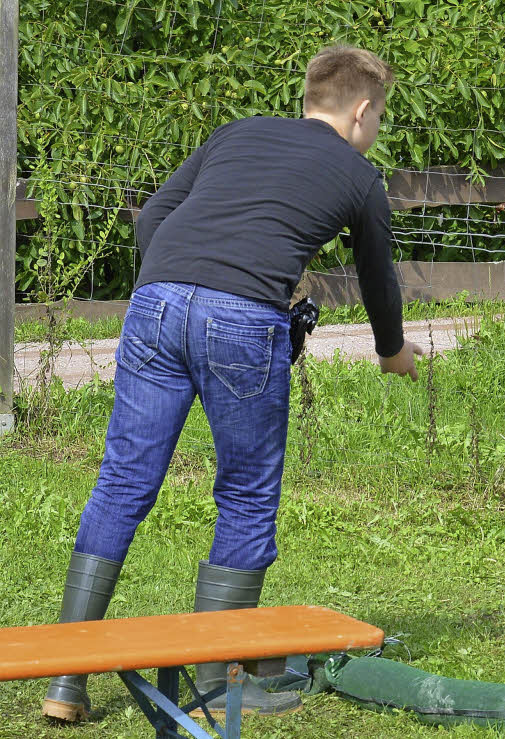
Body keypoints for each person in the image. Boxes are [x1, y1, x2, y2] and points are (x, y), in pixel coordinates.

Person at [42, 44, 422, 722]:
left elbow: (155, 214)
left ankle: (65, 681)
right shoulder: (359, 175)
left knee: (123, 480)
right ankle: (216, 683)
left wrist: (168, 284)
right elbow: (378, 278)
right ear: (362, 111)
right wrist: (392, 351)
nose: (377, 129)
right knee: (245, 495)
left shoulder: (238, 132)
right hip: (241, 320)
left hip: (155, 303)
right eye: (381, 117)